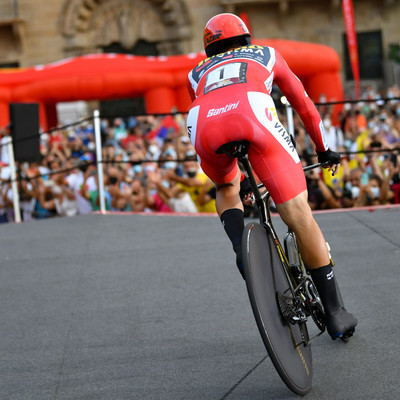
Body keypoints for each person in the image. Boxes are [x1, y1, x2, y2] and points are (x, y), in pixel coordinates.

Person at [185, 13, 357, 339]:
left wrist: (244, 176)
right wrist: (323, 149)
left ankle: (240, 247)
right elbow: (303, 105)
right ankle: (335, 313)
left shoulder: (195, 73)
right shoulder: (266, 53)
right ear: (246, 37)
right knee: (298, 214)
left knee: (225, 185)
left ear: (210, 49)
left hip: (204, 123)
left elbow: (217, 109)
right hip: (252, 113)